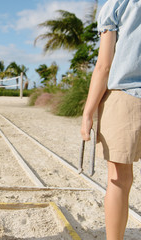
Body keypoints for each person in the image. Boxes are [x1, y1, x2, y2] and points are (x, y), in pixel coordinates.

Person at [81, 0, 141, 239]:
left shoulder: (118, 4)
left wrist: (88, 112)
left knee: (119, 181)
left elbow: (104, 66)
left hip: (125, 97)